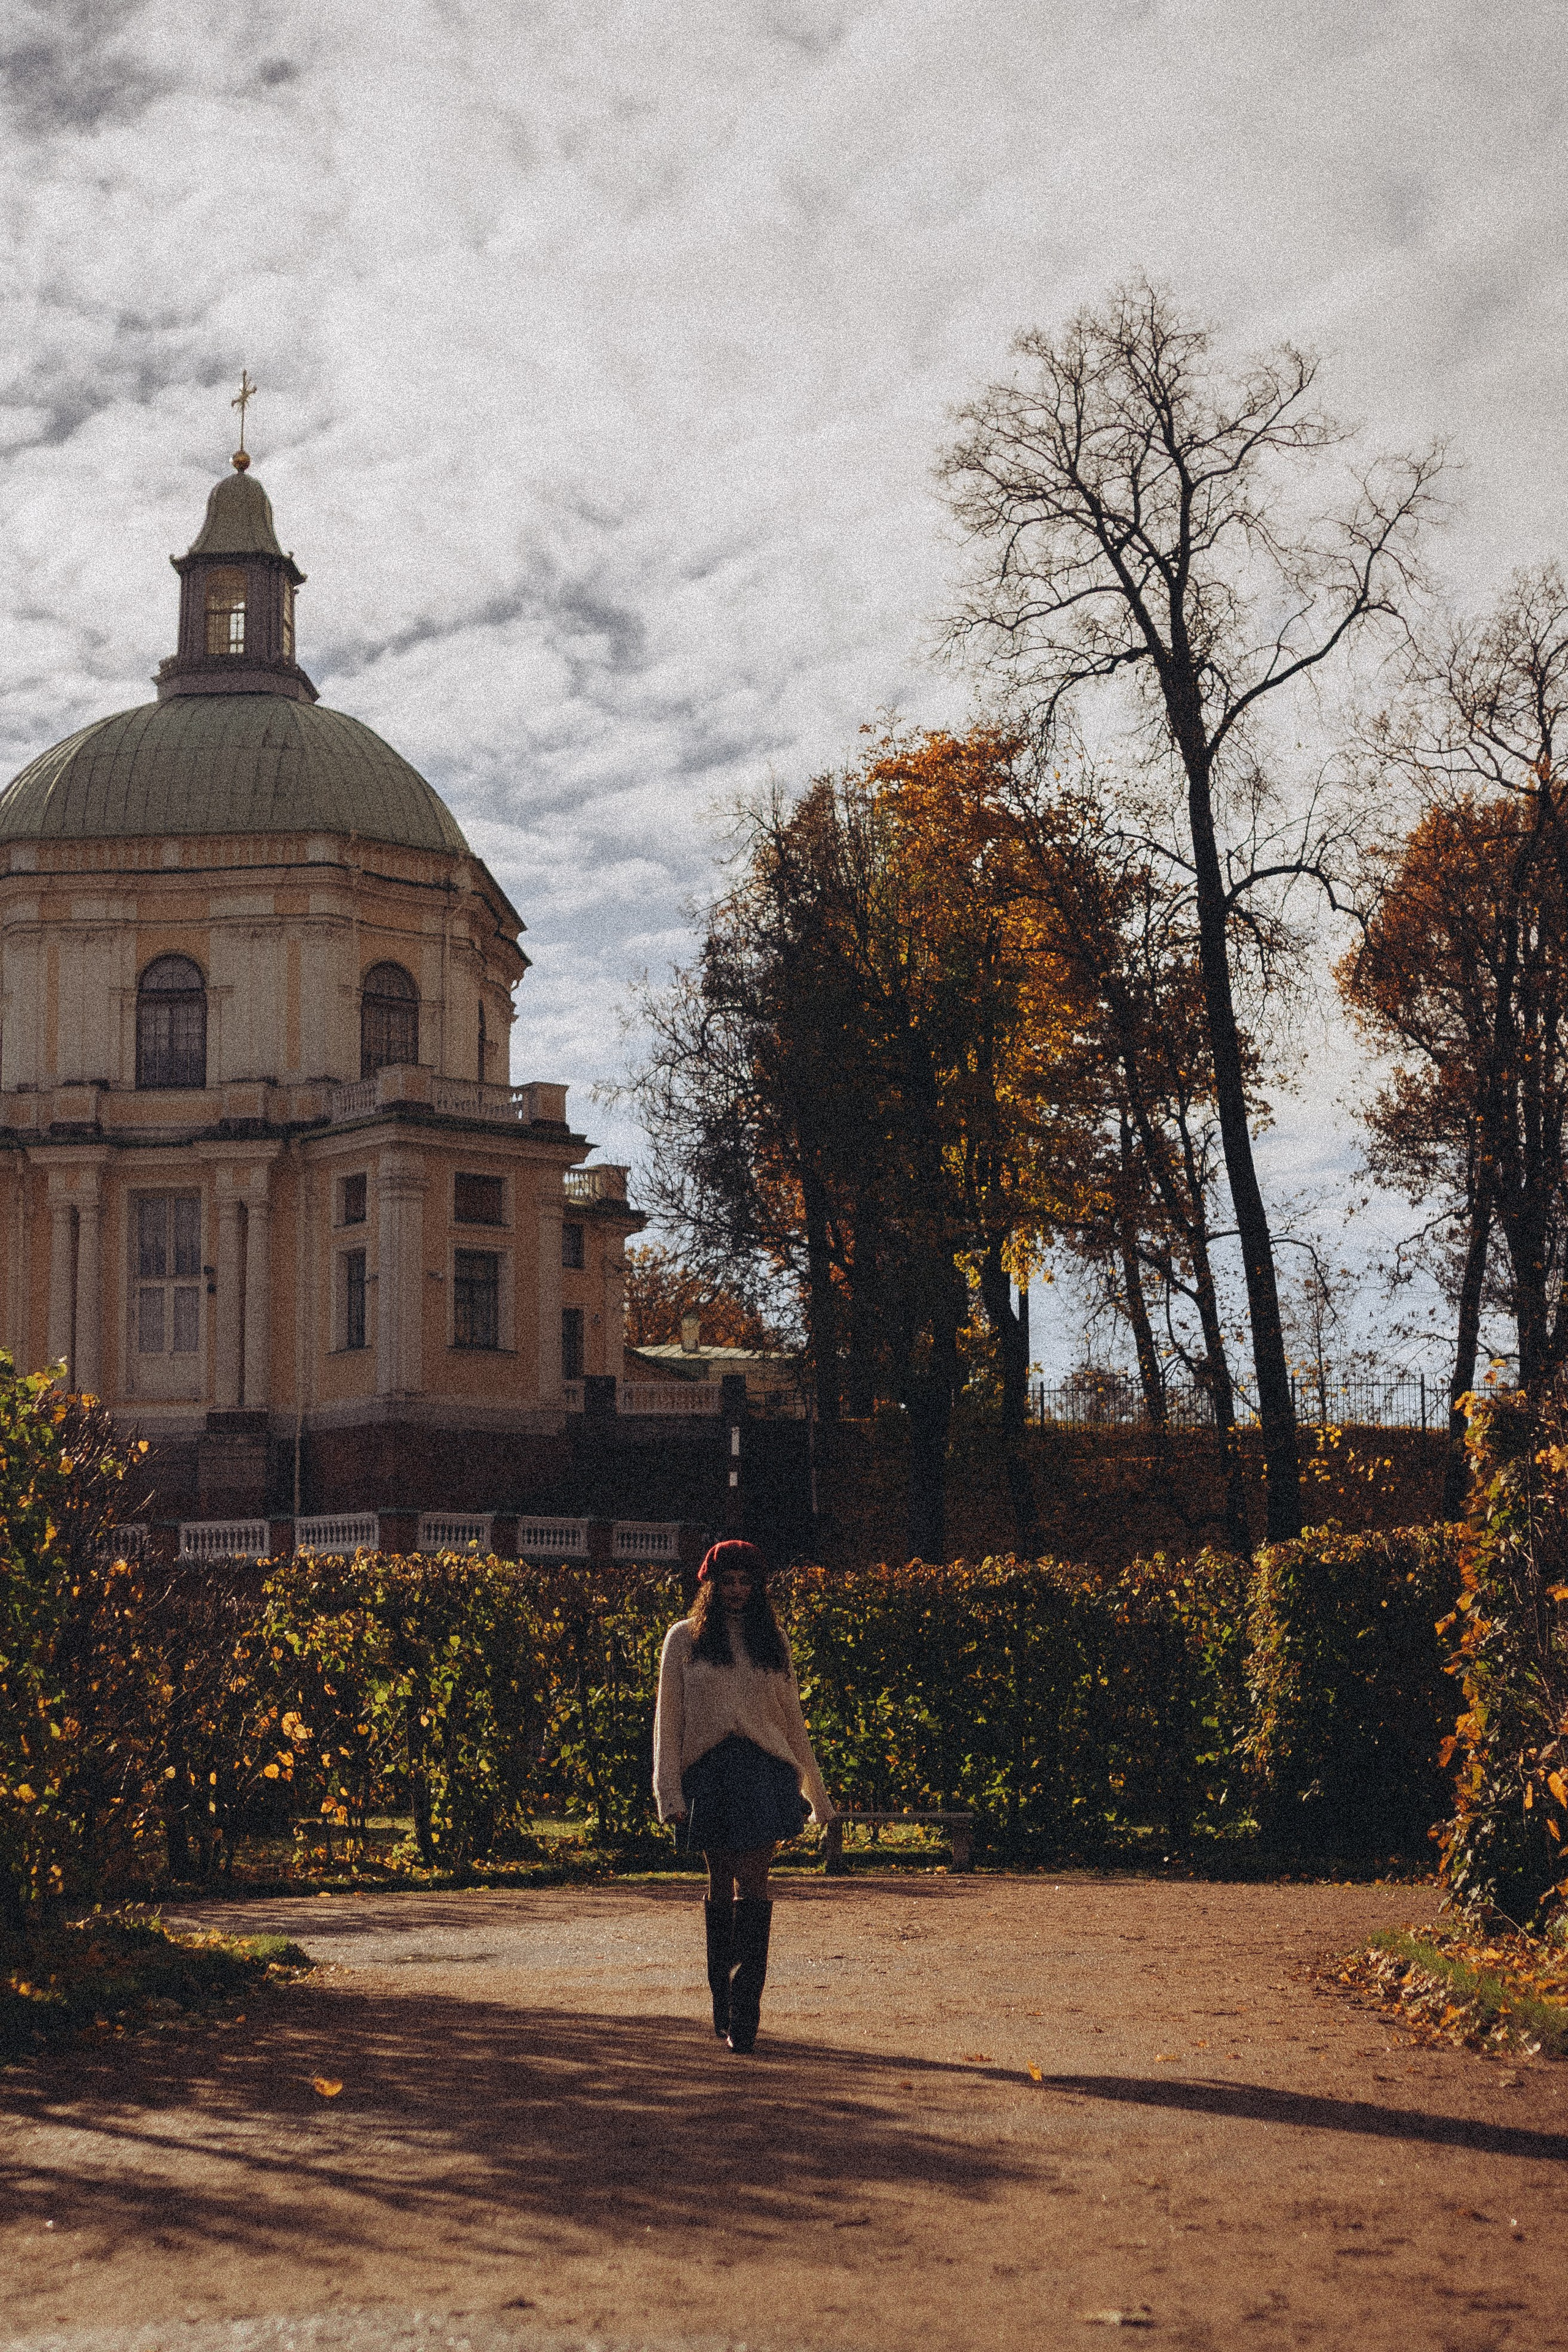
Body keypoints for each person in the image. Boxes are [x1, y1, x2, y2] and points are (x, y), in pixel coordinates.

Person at [654, 1539, 832, 2053]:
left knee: (754, 1884)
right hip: (708, 1775)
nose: (736, 1591)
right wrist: (669, 1794)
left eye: (745, 1582)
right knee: (719, 1881)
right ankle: (723, 2003)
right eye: (726, 1581)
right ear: (709, 1585)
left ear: (757, 1588)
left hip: (764, 1774)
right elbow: (669, 1720)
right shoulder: (683, 1639)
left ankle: (745, 2012)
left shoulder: (772, 1639)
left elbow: (792, 1720)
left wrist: (816, 1794)